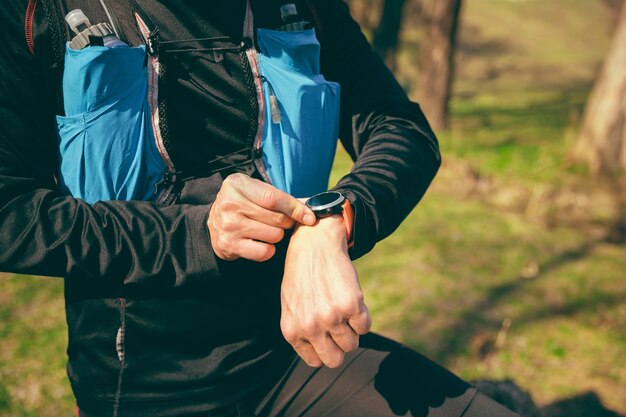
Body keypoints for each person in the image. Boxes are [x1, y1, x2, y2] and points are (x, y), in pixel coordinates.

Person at [0, 1, 521, 416]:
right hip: (144, 387)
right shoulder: (34, 13)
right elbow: (10, 213)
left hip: (300, 353)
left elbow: (401, 128)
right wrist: (200, 234)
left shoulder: (303, 6)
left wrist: (334, 219)